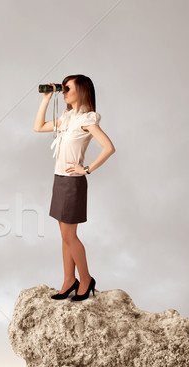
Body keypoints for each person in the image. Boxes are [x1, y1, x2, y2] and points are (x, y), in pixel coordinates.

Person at [33, 75, 116, 301]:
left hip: (72, 183)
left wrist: (86, 169)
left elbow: (109, 147)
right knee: (65, 236)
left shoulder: (86, 119)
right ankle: (69, 280)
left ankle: (86, 279)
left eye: (67, 87)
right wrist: (46, 98)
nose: (64, 91)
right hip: (59, 180)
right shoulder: (68, 117)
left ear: (82, 91)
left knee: (70, 236)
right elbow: (38, 127)